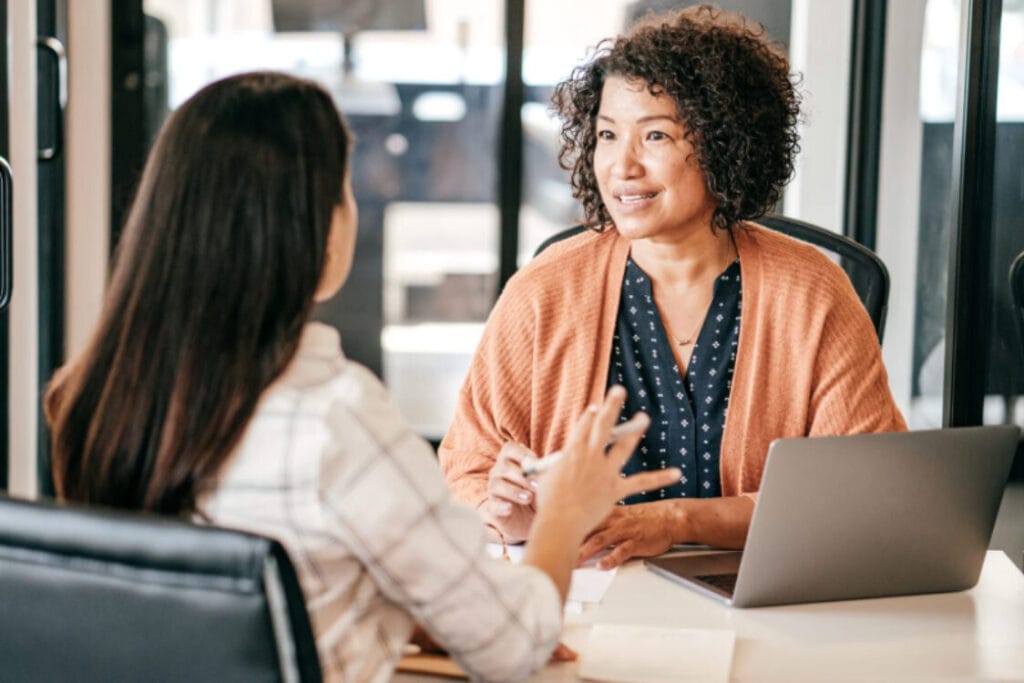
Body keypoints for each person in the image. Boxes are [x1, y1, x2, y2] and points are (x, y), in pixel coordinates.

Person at [44, 71, 678, 683]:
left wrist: (420, 616)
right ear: (314, 228)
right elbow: (513, 647)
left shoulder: (93, 398)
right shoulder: (336, 418)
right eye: (344, 189)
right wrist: (563, 515)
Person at [439, 5, 906, 570]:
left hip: (757, 594)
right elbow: (467, 469)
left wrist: (679, 520)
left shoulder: (813, 293)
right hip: (587, 590)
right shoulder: (543, 291)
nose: (622, 166)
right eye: (607, 134)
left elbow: (858, 493)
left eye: (655, 135)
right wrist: (507, 512)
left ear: (724, 142)